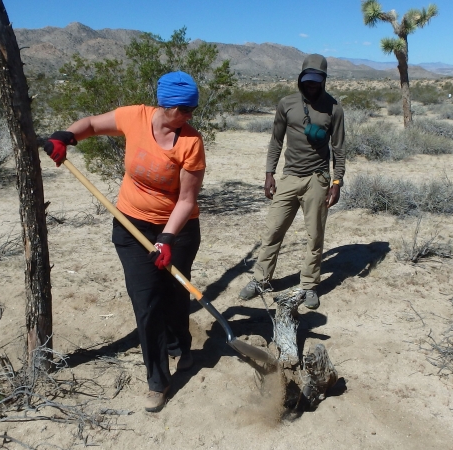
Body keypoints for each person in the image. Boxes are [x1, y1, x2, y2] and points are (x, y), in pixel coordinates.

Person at [44, 71, 205, 413]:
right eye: (185, 109)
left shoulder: (191, 142)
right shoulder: (135, 117)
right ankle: (158, 381)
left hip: (178, 230)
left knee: (176, 295)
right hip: (131, 225)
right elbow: (89, 123)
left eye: (193, 109)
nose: (190, 115)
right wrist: (65, 136)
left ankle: (181, 348)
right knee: (147, 302)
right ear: (166, 105)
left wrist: (166, 239)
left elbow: (187, 200)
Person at [239, 54, 345, 310]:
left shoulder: (334, 109)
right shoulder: (286, 104)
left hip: (317, 180)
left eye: (316, 81)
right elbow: (276, 141)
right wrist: (269, 173)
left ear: (323, 80)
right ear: (301, 78)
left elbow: (339, 149)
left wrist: (337, 182)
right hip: (288, 178)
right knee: (273, 230)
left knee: (314, 235)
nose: (311, 85)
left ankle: (309, 285)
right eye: (307, 80)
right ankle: (261, 279)